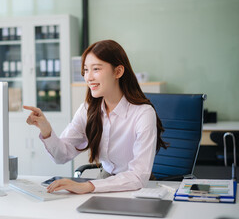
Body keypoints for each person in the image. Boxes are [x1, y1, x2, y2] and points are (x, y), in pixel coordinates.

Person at [24, 39, 168, 194]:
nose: (88, 77)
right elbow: (62, 156)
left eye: (96, 69)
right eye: (86, 70)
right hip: (104, 181)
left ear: (118, 72)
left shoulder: (143, 113)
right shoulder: (88, 110)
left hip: (138, 188)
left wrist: (87, 186)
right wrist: (46, 130)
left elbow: (138, 176)